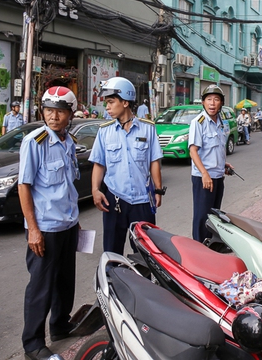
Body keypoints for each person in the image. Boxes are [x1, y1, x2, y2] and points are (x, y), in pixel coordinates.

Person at [18, 86, 81, 360]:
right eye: (48, 111)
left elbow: (67, 186)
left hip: (67, 224)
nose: (53, 116)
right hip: (44, 227)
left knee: (65, 282)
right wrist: (33, 229)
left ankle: (60, 326)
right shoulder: (36, 141)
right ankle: (32, 343)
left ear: (70, 115)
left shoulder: (69, 141)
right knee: (40, 287)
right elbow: (24, 186)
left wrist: (74, 219)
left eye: (59, 111)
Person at [89, 77, 163, 255]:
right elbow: (99, 164)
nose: (107, 107)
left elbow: (154, 161)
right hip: (114, 200)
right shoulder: (104, 131)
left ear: (125, 102)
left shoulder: (148, 129)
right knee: (112, 253)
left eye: (111, 102)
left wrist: (158, 190)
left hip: (143, 201)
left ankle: (145, 282)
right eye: (106, 102)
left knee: (146, 254)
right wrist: (95, 190)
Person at [189, 84, 234, 242]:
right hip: (204, 178)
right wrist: (204, 173)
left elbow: (218, 149)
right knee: (202, 217)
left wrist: (224, 165)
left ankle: (210, 247)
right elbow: (193, 150)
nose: (212, 103)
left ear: (221, 103)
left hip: (217, 176)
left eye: (216, 100)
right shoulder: (199, 122)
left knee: (214, 215)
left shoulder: (221, 122)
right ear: (203, 102)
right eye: (209, 99)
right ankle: (198, 248)